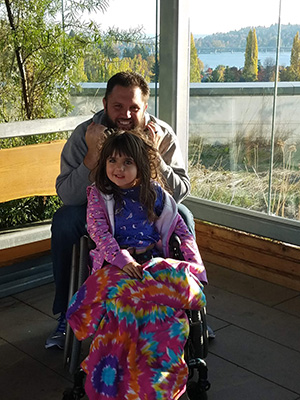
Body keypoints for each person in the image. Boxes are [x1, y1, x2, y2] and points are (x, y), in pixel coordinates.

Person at [46, 71, 196, 349]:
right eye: (118, 106)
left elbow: (181, 192)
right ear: (105, 104)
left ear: (145, 108)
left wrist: (158, 160)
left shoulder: (160, 133)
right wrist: (92, 157)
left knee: (184, 216)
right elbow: (67, 195)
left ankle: (186, 308)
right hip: (100, 209)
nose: (126, 114)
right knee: (65, 221)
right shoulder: (85, 135)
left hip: (145, 212)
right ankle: (66, 315)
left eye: (134, 108)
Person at [66, 128, 207, 400]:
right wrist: (123, 259)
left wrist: (194, 266)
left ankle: (156, 383)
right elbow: (98, 233)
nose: (118, 168)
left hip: (152, 263)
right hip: (114, 264)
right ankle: (122, 380)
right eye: (113, 161)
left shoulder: (155, 196)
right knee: (126, 307)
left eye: (127, 162)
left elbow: (182, 231)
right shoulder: (97, 195)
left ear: (141, 166)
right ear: (104, 162)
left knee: (166, 311)